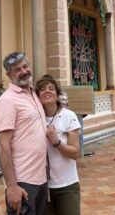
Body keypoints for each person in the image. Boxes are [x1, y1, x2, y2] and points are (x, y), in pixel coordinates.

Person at [0, 52, 48, 215]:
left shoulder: (34, 94)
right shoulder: (7, 100)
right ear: (8, 74)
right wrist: (11, 186)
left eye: (25, 66)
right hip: (22, 181)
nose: (24, 71)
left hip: (41, 178)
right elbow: (3, 145)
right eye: (17, 69)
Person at [36, 75, 81, 215]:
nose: (47, 91)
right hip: (42, 186)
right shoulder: (35, 118)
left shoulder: (68, 116)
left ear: (57, 95)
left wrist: (56, 142)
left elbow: (75, 153)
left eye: (51, 88)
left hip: (67, 185)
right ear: (38, 96)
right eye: (42, 89)